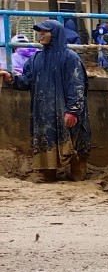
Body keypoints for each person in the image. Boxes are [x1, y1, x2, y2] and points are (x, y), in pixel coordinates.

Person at [0, 19, 91, 181]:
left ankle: (78, 176)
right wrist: (10, 77)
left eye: (44, 32)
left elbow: (77, 86)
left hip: (66, 110)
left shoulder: (70, 58)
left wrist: (73, 111)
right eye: (39, 32)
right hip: (44, 112)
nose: (40, 35)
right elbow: (27, 81)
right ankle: (49, 175)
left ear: (55, 34)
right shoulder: (36, 58)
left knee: (74, 144)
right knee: (46, 143)